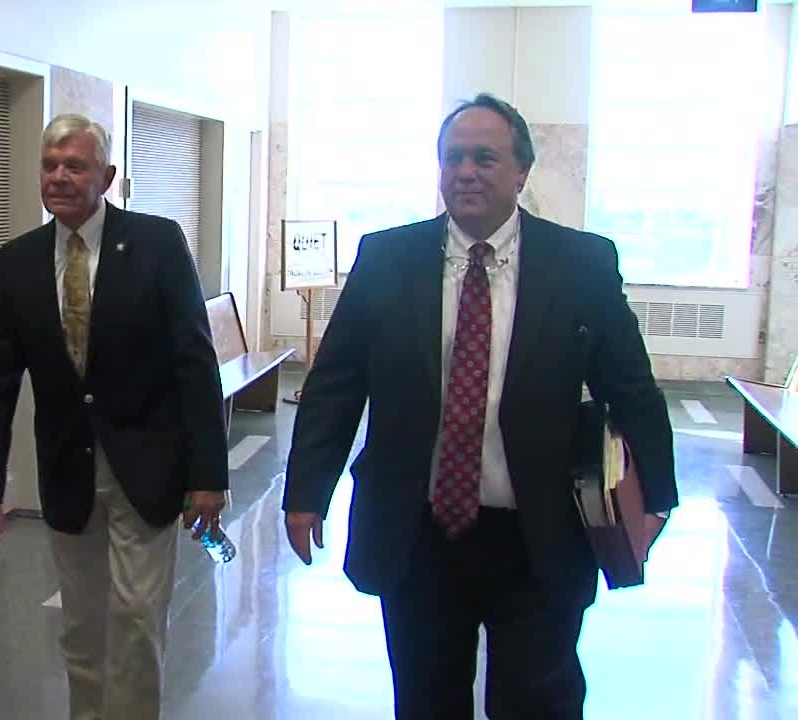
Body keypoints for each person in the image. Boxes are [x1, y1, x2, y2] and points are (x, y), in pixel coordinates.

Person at [282, 93, 677, 719]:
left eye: (485, 157)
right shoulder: (387, 259)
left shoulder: (580, 264)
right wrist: (306, 492)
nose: (465, 171)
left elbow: (631, 388)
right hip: (419, 534)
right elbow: (335, 384)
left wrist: (656, 500)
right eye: (453, 158)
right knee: (426, 698)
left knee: (538, 700)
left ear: (522, 171)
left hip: (540, 532)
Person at [0, 113, 229, 720]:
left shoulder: (158, 244)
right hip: (67, 470)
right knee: (82, 626)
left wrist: (208, 475)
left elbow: (195, 362)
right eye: (49, 164)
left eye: (74, 165)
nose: (58, 176)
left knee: (137, 620)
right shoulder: (19, 262)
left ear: (106, 176)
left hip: (147, 467)